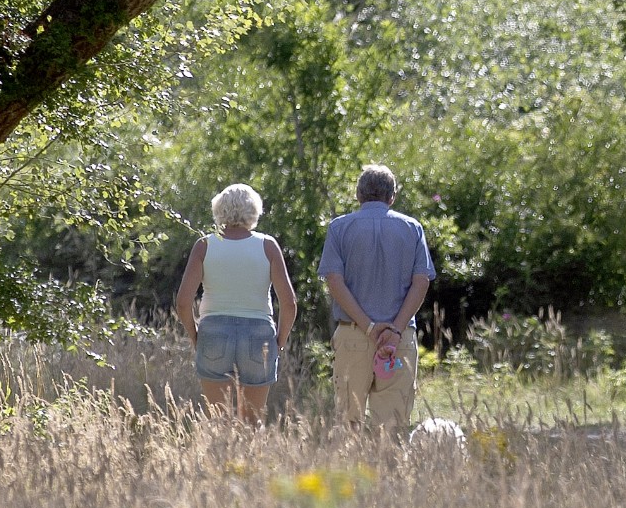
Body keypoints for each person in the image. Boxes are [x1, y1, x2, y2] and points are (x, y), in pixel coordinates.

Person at [318, 163, 435, 436]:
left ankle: (348, 478)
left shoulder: (339, 228)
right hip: (399, 338)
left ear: (358, 195)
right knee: (393, 428)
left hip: (353, 336)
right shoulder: (412, 228)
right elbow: (422, 281)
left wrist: (369, 327)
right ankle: (389, 477)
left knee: (348, 425)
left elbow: (334, 280)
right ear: (392, 197)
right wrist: (393, 329)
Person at [173, 183, 297, 424]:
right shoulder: (268, 245)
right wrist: (279, 342)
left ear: (219, 211)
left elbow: (182, 302)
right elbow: (289, 303)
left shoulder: (205, 245)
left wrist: (194, 336)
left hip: (213, 332)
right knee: (252, 423)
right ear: (254, 210)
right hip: (258, 334)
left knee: (218, 423)